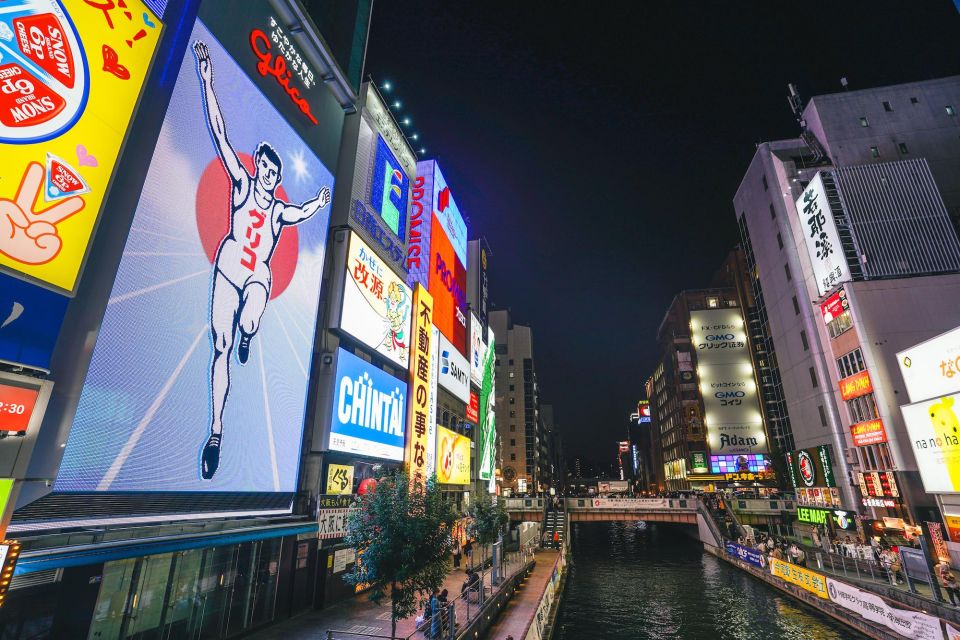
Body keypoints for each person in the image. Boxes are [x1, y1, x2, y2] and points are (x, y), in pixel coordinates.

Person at [193, 41, 331, 480]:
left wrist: (318, 203)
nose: (270, 178)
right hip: (227, 269)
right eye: (267, 171)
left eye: (275, 175)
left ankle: (249, 332)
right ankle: (216, 433)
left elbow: (300, 212)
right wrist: (207, 80)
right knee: (220, 347)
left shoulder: (277, 210)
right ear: (259, 168)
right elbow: (220, 134)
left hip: (255, 276)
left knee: (250, 316)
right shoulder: (241, 183)